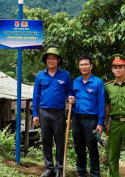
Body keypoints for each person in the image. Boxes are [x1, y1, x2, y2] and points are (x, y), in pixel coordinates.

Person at [32, 48, 74, 177]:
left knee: (60, 141)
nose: (51, 61)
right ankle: (49, 167)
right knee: (46, 140)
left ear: (58, 60)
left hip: (59, 113)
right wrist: (35, 114)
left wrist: (70, 97)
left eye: (53, 58)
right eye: (48, 58)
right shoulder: (40, 75)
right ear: (46, 60)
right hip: (43, 112)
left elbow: (69, 91)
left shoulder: (65, 75)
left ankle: (59, 168)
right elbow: (36, 95)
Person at [68, 55, 105, 177]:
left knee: (92, 148)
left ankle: (95, 173)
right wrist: (71, 100)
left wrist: (100, 123)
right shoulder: (76, 81)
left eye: (86, 64)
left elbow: (101, 103)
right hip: (77, 118)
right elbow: (71, 97)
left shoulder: (98, 82)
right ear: (79, 67)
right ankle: (81, 173)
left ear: (91, 66)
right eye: (81, 65)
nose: (83, 66)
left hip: (91, 120)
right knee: (79, 147)